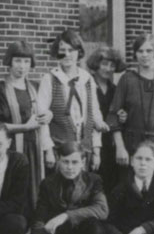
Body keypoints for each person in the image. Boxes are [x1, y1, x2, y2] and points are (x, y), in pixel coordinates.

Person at [0, 41, 50, 208]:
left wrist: (48, 114)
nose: (22, 66)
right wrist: (24, 128)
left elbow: (45, 114)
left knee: (35, 191)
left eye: (26, 61)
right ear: (9, 61)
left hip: (35, 149)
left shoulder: (36, 87)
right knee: (14, 192)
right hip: (11, 149)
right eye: (17, 61)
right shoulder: (0, 89)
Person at [38, 29, 106, 172]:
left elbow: (94, 115)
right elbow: (42, 118)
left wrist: (96, 151)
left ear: (79, 52)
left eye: (71, 50)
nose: (67, 54)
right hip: (59, 150)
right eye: (63, 50)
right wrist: (48, 150)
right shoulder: (49, 79)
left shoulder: (87, 79)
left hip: (83, 150)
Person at [107, 34, 154, 163]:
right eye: (140, 51)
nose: (144, 55)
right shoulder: (127, 78)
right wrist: (120, 147)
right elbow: (113, 115)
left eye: (149, 51)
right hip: (131, 145)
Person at [86, 46, 128, 193]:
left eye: (112, 65)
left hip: (110, 142)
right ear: (96, 64)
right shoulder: (86, 85)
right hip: (90, 140)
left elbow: (119, 113)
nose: (108, 68)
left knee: (110, 181)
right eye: (104, 64)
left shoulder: (116, 89)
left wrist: (123, 116)